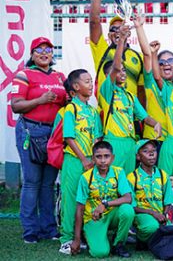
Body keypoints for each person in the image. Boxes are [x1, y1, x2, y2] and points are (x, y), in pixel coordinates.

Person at [11, 37, 66, 243]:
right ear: (32, 54)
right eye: (39, 49)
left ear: (53, 54)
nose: (44, 53)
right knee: (32, 182)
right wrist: (40, 100)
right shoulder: (25, 74)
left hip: (54, 135)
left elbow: (67, 100)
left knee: (48, 184)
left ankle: (49, 229)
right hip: (30, 132)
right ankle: (30, 231)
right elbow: (16, 106)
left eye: (49, 49)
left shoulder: (60, 76)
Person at [98, 22, 161, 174]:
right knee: (113, 182)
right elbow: (116, 67)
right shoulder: (107, 91)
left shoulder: (130, 97)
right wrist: (121, 41)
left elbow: (144, 117)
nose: (123, 73)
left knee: (127, 183)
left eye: (125, 71)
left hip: (130, 143)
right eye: (119, 71)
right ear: (109, 76)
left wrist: (156, 123)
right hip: (114, 142)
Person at [59, 69, 103, 254]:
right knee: (70, 200)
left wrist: (93, 159)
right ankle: (66, 238)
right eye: (86, 81)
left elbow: (98, 137)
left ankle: (82, 235)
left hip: (90, 163)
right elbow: (69, 136)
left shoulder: (93, 111)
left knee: (87, 199)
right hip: (74, 161)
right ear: (76, 87)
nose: (90, 84)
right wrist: (84, 159)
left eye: (91, 80)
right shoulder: (71, 108)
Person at [70, 141, 135, 258]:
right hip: (94, 218)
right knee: (100, 253)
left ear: (113, 158)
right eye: (99, 157)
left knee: (127, 210)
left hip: (112, 214)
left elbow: (128, 198)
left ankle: (118, 244)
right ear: (93, 159)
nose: (103, 160)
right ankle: (91, 235)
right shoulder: (86, 177)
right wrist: (77, 239)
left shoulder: (118, 172)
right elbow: (79, 209)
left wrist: (105, 204)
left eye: (106, 156)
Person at [89, 0, 145, 105]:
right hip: (106, 116)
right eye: (113, 29)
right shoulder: (101, 49)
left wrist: (140, 120)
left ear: (128, 33)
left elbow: (141, 91)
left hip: (130, 118)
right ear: (109, 35)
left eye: (121, 28)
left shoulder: (138, 57)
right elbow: (94, 21)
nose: (117, 32)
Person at [134, 20, 173, 143]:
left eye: (170, 60)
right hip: (153, 138)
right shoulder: (150, 81)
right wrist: (139, 27)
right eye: (161, 63)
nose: (166, 64)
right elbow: (147, 55)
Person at [128, 139, 173, 248]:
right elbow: (131, 206)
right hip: (141, 215)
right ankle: (140, 238)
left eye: (154, 150)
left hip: (160, 216)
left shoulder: (163, 175)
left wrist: (164, 214)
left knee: (172, 231)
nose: (151, 153)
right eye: (145, 151)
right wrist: (153, 213)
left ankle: (151, 242)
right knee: (152, 227)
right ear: (138, 157)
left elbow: (168, 201)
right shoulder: (132, 177)